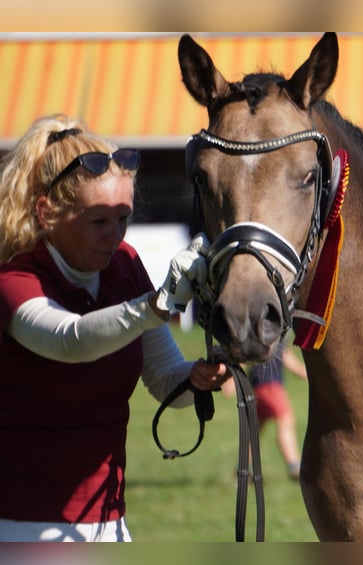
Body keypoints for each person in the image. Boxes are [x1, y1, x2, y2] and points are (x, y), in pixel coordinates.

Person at [0, 114, 232, 542]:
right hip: (22, 526)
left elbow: (164, 377)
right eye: (98, 220)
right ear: (47, 213)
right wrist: (158, 302)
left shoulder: (124, 263)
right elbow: (72, 341)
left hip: (111, 522)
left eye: (123, 217)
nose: (116, 234)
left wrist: (197, 378)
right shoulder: (16, 280)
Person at [222, 341, 307, 479]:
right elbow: (295, 366)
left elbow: (241, 361)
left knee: (255, 430)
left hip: (257, 389)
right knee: (285, 420)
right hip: (271, 388)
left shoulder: (254, 340)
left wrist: (230, 383)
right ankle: (294, 466)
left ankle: (241, 469)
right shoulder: (275, 343)